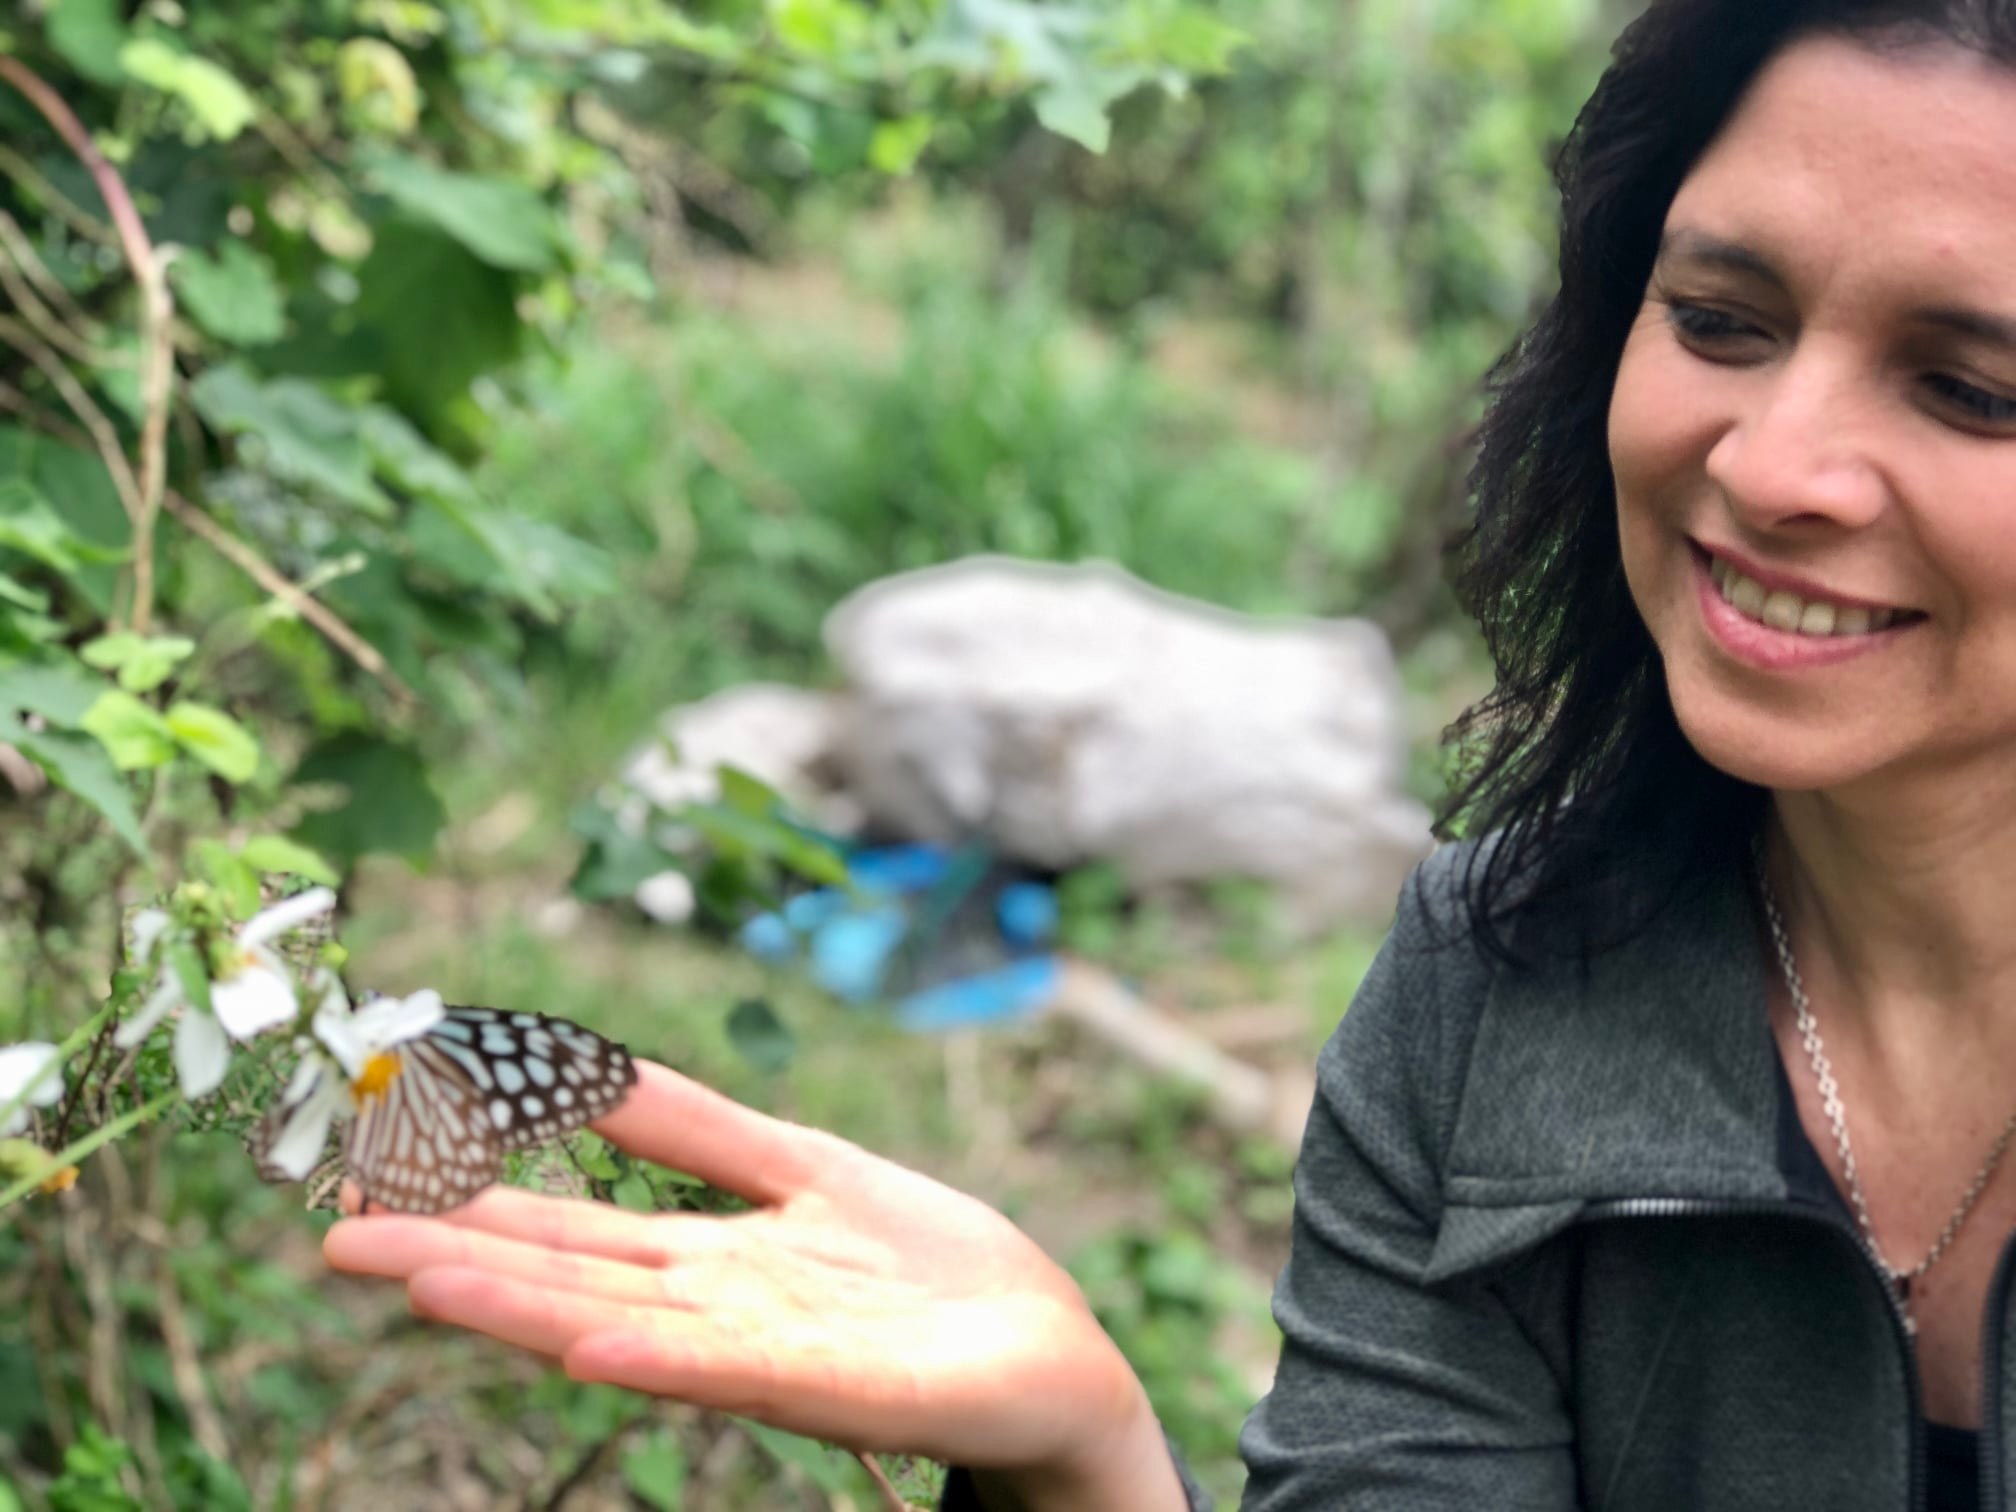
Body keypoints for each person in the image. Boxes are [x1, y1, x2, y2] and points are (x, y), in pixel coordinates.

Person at [324, 0, 2016, 1505]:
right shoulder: (1497, 981)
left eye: (1969, 392)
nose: (1778, 463)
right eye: (1722, 319)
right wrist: (1087, 1450)